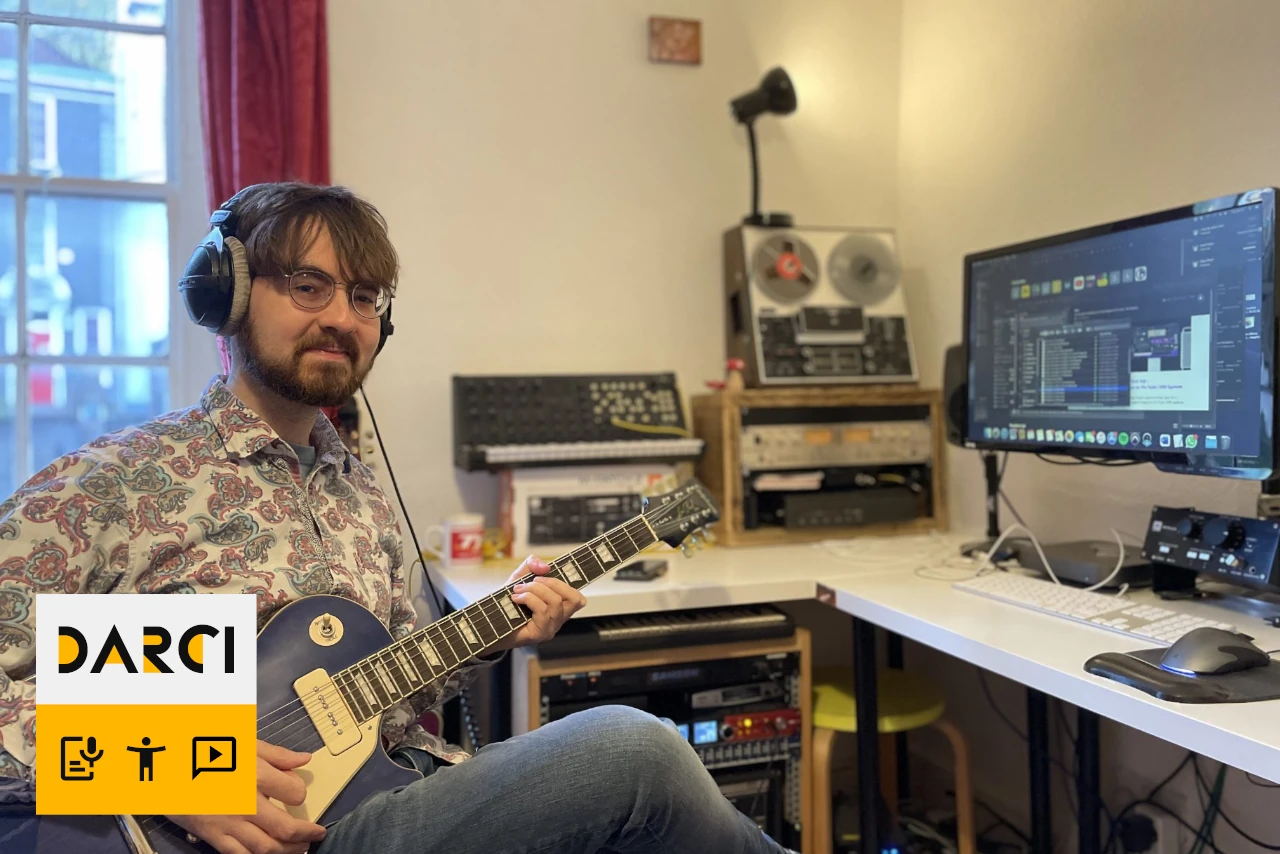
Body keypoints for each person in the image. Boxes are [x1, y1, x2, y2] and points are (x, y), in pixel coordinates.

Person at [0, 182, 799, 854]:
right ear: (229, 295)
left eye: (364, 297)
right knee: (635, 751)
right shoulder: (126, 482)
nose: (343, 318)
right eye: (308, 286)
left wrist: (505, 626)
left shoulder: (360, 492)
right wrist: (170, 762)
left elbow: (373, 690)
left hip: (383, 794)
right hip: (260, 836)